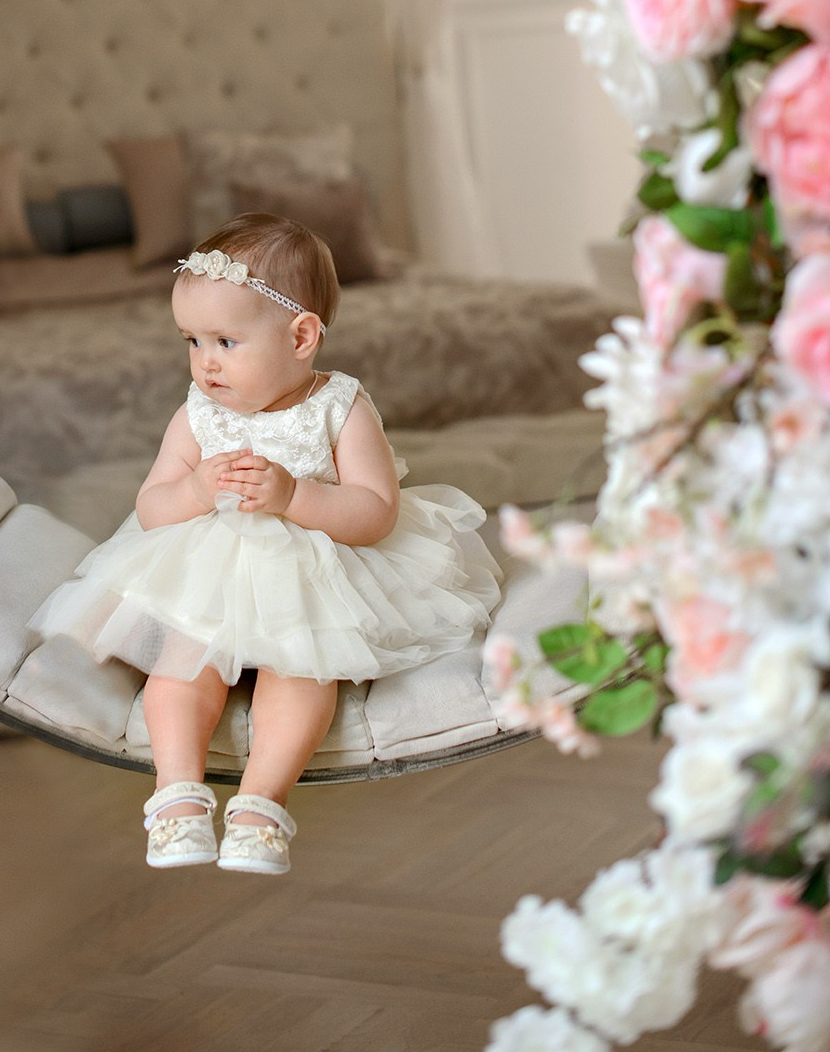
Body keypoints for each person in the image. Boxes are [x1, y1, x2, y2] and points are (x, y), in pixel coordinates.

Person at [26, 212, 501, 875]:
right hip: (209, 574)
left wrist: (295, 497)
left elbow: (374, 513)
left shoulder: (339, 406)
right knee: (179, 662)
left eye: (225, 340)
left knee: (301, 668)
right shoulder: (197, 415)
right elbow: (153, 505)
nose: (205, 363)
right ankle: (176, 796)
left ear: (301, 336)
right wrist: (193, 491)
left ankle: (258, 806)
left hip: (314, 574)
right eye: (191, 341)